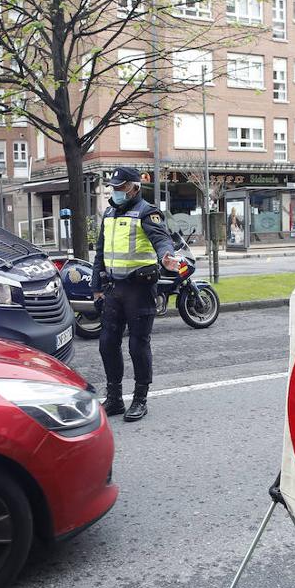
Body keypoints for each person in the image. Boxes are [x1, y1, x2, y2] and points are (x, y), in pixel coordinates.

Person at [92, 167, 181, 422]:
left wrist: (166, 256)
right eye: (113, 187)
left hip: (139, 289)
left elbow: (162, 240)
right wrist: (96, 288)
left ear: (135, 187)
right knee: (107, 343)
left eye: (121, 187)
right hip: (112, 289)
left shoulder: (147, 212)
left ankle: (140, 399)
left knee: (137, 345)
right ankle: (115, 398)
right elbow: (100, 253)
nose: (116, 191)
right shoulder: (109, 213)